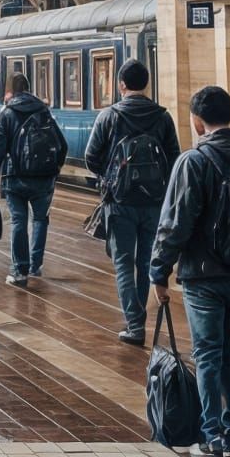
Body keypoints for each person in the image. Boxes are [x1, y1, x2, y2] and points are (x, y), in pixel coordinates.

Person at [150, 84, 230, 457]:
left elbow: (175, 222)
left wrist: (159, 271)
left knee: (207, 356)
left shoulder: (194, 161)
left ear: (196, 121)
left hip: (204, 277)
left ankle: (213, 440)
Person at [84, 58, 179, 344]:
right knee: (145, 261)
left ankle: (135, 324)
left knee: (124, 262)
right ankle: (138, 321)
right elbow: (174, 158)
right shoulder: (162, 116)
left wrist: (109, 177)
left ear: (121, 84)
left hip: (120, 202)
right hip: (153, 204)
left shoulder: (109, 116)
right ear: (146, 84)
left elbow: (91, 157)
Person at [0, 70, 68, 287]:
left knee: (19, 220)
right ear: (28, 89)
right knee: (40, 219)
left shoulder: (7, 113)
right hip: (44, 178)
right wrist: (55, 170)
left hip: (16, 177)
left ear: (9, 90)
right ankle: (35, 265)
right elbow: (62, 144)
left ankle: (20, 271)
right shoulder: (43, 110)